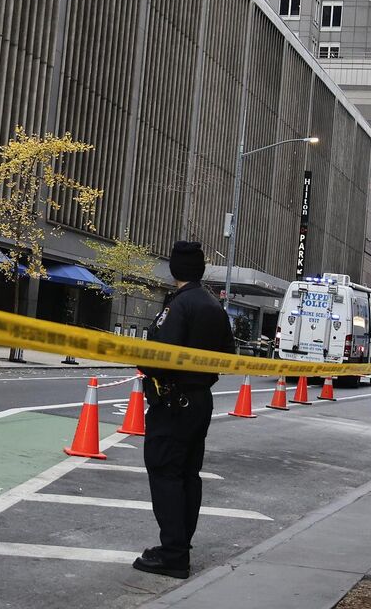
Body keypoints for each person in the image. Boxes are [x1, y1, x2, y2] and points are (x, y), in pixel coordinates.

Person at [133, 241, 230, 580]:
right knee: (188, 474)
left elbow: (161, 358)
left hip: (173, 402)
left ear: (174, 268)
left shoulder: (179, 306)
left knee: (165, 473)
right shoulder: (214, 306)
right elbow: (229, 355)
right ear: (200, 269)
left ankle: (173, 553)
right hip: (200, 401)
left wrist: (141, 356)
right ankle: (180, 546)